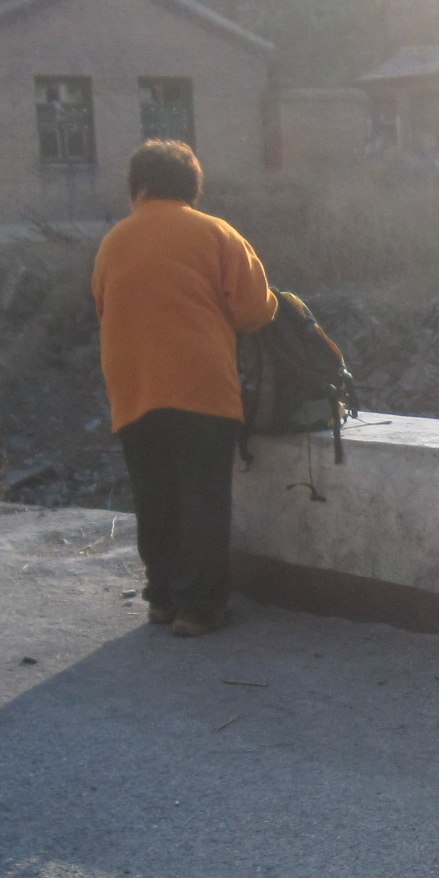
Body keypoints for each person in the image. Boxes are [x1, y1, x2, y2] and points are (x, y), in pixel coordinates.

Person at [91, 139, 278, 637]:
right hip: (201, 388)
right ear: (192, 188)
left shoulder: (113, 242)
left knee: (155, 497)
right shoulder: (217, 234)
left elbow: (102, 306)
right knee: (203, 497)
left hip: (134, 389)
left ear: (140, 189)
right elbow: (254, 310)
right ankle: (200, 608)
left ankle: (162, 599)